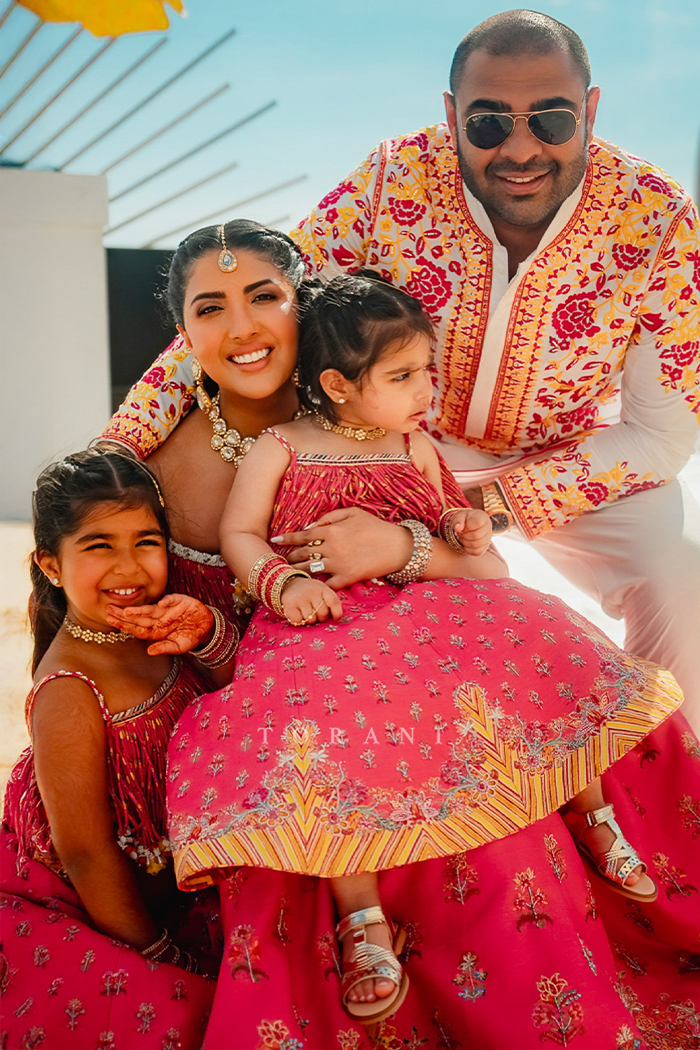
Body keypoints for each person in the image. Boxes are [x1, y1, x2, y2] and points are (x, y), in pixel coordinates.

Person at [99, 220, 700, 1048]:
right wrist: (282, 582)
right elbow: (232, 549)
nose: (242, 327)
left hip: (431, 631)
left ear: (299, 311)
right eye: (211, 307)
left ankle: (594, 815)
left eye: (265, 297)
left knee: (536, 649)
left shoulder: (410, 437)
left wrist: (442, 536)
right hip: (317, 639)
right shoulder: (230, 454)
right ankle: (361, 918)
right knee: (318, 737)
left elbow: (472, 546)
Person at [103, 10, 700, 734]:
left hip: (578, 463)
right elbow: (262, 306)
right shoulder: (394, 179)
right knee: (347, 619)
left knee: (679, 584)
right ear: (451, 117)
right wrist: (117, 448)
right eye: (487, 124)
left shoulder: (657, 219)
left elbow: (660, 437)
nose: (519, 148)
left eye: (550, 119)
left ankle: (667, 793)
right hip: (401, 451)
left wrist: (475, 520)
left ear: (591, 109)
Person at [0, 449, 236, 1049]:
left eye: (145, 541)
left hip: (172, 878)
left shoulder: (158, 621)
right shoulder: (71, 691)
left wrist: (207, 636)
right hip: (96, 907)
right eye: (99, 545)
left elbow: (243, 700)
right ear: (51, 565)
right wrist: (159, 954)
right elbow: (84, 852)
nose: (127, 567)